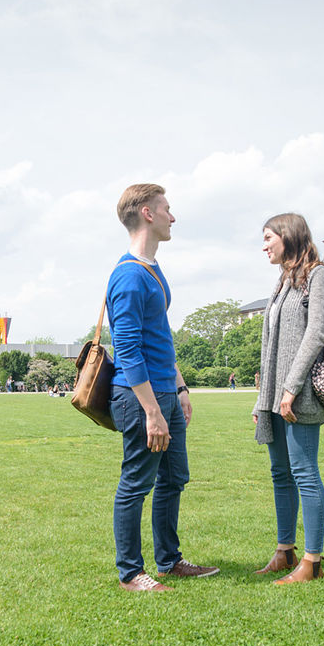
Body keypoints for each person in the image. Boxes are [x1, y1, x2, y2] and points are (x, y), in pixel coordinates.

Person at [107, 183, 217, 592]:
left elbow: (160, 337)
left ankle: (169, 561)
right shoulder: (129, 276)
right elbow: (130, 351)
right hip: (140, 400)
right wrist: (153, 411)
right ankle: (131, 573)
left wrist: (181, 387)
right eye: (167, 209)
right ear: (147, 214)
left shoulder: (153, 270)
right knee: (136, 483)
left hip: (166, 395)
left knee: (174, 478)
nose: (174, 217)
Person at [252, 213, 324, 584]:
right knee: (280, 475)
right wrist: (262, 400)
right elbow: (270, 347)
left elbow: (316, 334)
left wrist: (290, 387)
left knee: (304, 474)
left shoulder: (317, 275)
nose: (264, 245)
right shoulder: (284, 281)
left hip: (299, 396)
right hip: (274, 396)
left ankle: (312, 561)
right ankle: (285, 552)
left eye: (268, 237)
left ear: (288, 236)